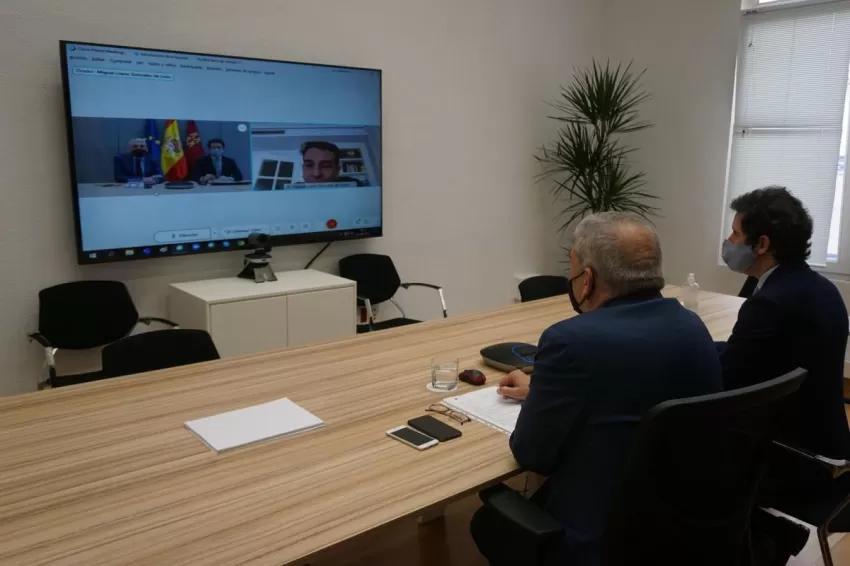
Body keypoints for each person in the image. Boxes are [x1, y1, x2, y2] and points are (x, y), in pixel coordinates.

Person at [470, 212, 722, 566]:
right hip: (683, 524)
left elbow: (531, 454)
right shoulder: (691, 326)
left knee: (487, 522)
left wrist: (547, 394)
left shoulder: (569, 341)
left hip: (600, 540)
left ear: (586, 280)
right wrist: (543, 387)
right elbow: (629, 384)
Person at [719, 186, 850, 564]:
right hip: (827, 439)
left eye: (735, 234)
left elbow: (727, 381)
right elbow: (752, 357)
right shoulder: (819, 288)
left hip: (794, 458)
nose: (728, 242)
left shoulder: (771, 302)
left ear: (762, 244)